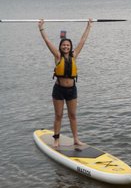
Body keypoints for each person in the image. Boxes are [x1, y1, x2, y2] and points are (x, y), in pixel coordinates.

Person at [38, 19, 92, 148]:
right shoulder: (57, 56)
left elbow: (82, 40)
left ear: (70, 47)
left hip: (72, 90)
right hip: (59, 90)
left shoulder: (74, 55)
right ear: (61, 47)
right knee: (58, 115)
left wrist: (88, 26)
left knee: (72, 115)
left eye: (68, 45)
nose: (66, 47)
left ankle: (76, 139)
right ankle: (56, 139)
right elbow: (47, 41)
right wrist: (41, 28)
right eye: (64, 45)